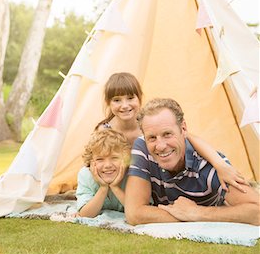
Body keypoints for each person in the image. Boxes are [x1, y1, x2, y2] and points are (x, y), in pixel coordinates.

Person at [96, 72, 248, 193]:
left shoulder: (148, 124)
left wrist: (219, 163)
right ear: (108, 103)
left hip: (144, 181)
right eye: (117, 100)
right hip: (118, 179)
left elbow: (189, 138)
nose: (124, 105)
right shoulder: (105, 130)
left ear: (139, 98)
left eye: (130, 98)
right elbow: (95, 158)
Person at [125, 98, 260, 226]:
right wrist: (186, 216)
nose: (160, 146)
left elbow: (257, 211)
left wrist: (198, 213)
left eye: (167, 134)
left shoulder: (210, 166)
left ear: (183, 129)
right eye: (152, 138)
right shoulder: (142, 148)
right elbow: (134, 213)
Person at [76, 129, 131, 217]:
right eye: (100, 159)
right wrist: (103, 188)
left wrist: (115, 187)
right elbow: (85, 214)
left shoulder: (132, 175)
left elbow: (137, 212)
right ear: (91, 162)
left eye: (114, 158)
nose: (108, 165)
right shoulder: (85, 175)